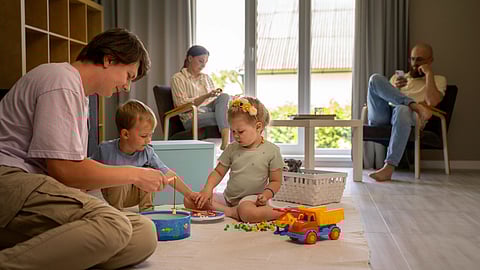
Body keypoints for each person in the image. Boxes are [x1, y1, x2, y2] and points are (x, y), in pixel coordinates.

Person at [0, 28, 165, 269]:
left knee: (142, 234)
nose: (127, 86)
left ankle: (34, 254)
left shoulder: (81, 97)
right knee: (114, 225)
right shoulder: (61, 80)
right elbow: (65, 170)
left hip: (38, 191)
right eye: (128, 75)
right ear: (109, 59)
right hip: (11, 180)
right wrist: (136, 174)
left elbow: (72, 176)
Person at [185, 97, 285, 223]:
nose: (236, 136)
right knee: (190, 200)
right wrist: (207, 189)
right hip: (228, 199)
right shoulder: (232, 148)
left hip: (252, 200)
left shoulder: (272, 151)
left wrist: (266, 195)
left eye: (241, 131)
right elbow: (218, 172)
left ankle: (279, 212)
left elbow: (276, 181)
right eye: (233, 131)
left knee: (247, 212)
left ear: (258, 127)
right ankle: (232, 211)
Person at [90, 99, 197, 212]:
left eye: (150, 135)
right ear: (125, 134)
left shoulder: (147, 152)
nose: (149, 140)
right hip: (113, 195)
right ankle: (117, 212)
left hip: (134, 195)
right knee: (121, 175)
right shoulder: (105, 150)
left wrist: (189, 193)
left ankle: (147, 210)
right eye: (144, 136)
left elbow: (168, 173)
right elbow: (88, 171)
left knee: (150, 173)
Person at [367, 43, 447, 181]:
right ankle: (413, 104)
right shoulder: (399, 78)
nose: (415, 63)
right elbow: (384, 96)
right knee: (375, 78)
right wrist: (394, 87)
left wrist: (428, 74)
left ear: (430, 60)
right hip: (384, 115)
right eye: (412, 59)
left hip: (408, 117)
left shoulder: (438, 80)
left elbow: (432, 101)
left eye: (420, 59)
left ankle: (389, 167)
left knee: (402, 109)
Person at [170, 45, 231, 150]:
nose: (203, 65)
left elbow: (215, 102)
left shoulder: (206, 78)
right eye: (200, 61)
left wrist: (216, 96)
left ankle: (225, 142)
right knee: (229, 117)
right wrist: (206, 96)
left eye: (205, 62)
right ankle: (227, 144)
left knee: (224, 96)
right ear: (190, 58)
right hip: (191, 117)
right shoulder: (178, 78)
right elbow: (181, 105)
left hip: (209, 111)